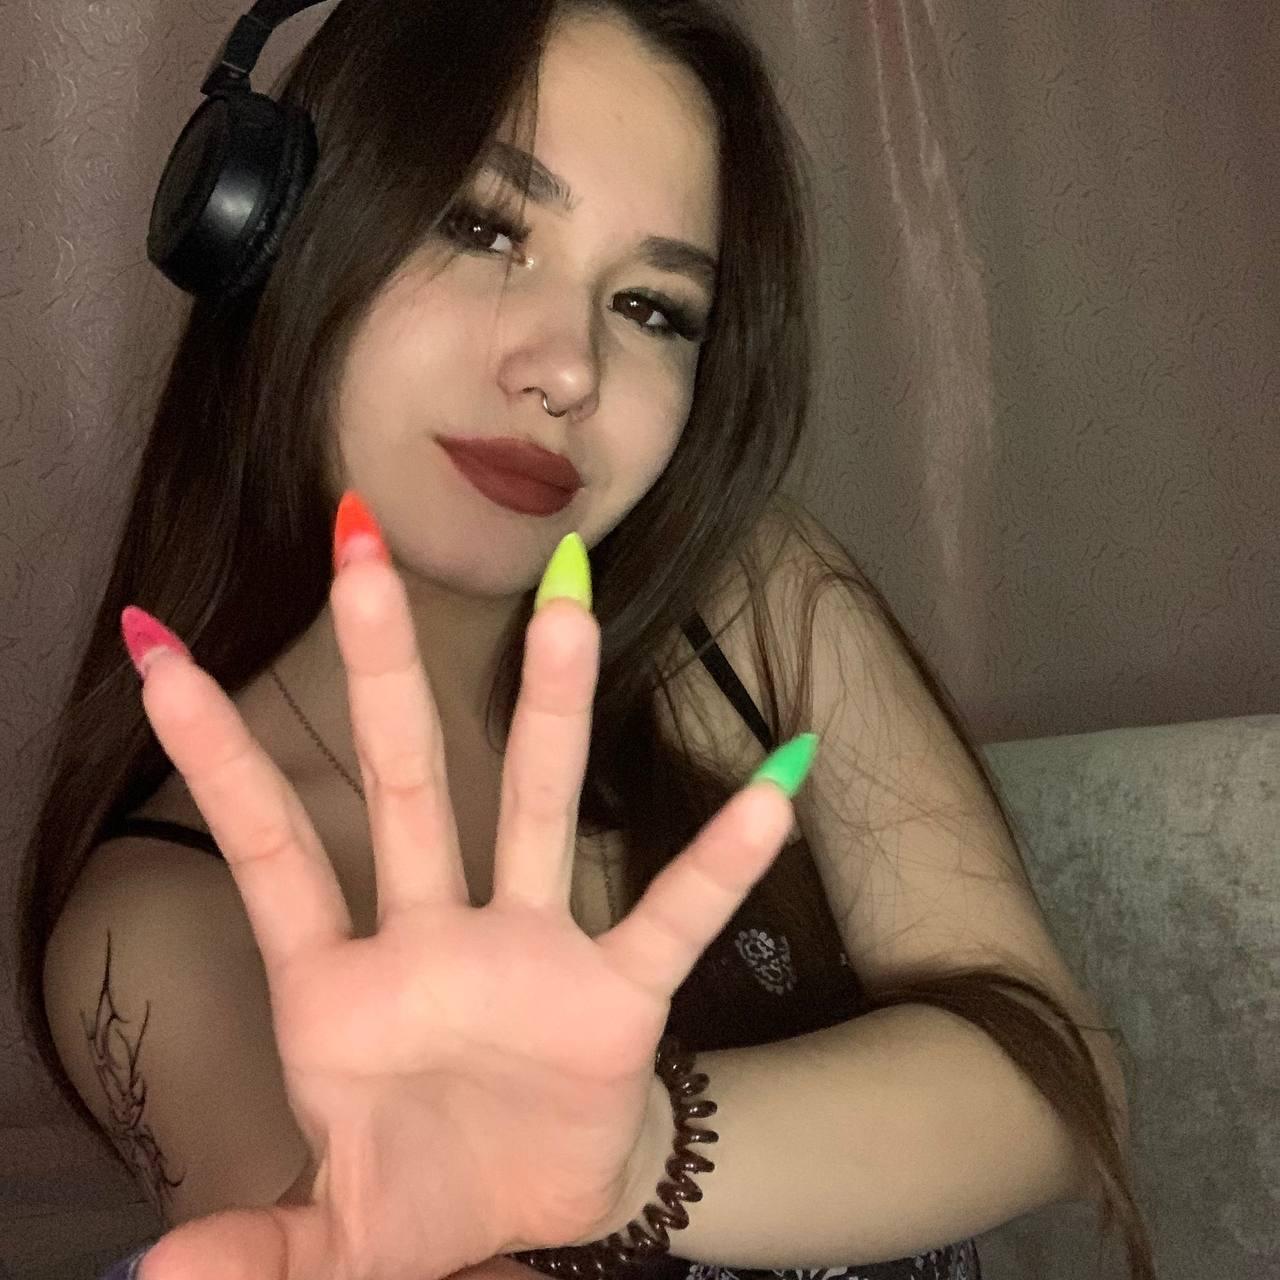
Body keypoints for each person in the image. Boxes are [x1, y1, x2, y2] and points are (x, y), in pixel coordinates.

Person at [14, 1, 1156, 1278]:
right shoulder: (160, 920)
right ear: (262, 233)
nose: (568, 367)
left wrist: (641, 1154)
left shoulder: (751, 600)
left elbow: (1059, 1084)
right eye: (483, 227)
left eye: (652, 306)